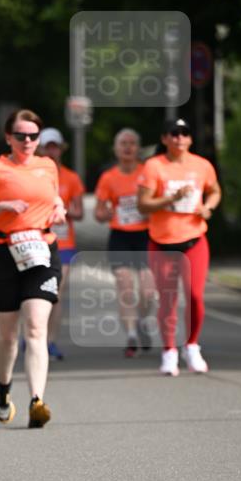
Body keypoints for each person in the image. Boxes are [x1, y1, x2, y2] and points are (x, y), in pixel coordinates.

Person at [0, 109, 65, 428]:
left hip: (42, 252)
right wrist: (2, 206)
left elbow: (54, 198)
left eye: (33, 136)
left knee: (35, 327)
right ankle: (3, 390)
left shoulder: (48, 166)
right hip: (3, 253)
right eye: (21, 136)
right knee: (8, 334)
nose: (28, 141)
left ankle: (36, 401)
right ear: (9, 138)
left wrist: (59, 207)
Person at [137, 117, 221, 375]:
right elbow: (143, 205)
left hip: (195, 239)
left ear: (190, 139)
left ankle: (192, 346)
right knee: (169, 299)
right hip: (163, 243)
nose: (179, 138)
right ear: (164, 139)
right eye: (173, 133)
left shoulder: (202, 165)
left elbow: (215, 191)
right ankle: (169, 351)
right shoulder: (154, 166)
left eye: (184, 133)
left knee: (195, 296)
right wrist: (172, 197)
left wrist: (208, 207)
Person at [94, 129, 157, 356]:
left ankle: (140, 321)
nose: (128, 147)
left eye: (132, 143)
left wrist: (151, 210)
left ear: (138, 148)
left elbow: (157, 201)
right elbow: (99, 213)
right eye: (123, 143)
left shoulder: (147, 173)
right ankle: (131, 335)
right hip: (120, 235)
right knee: (125, 284)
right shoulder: (109, 177)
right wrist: (107, 213)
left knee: (148, 289)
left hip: (145, 235)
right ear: (116, 148)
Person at [38, 128, 84, 359]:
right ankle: (34, 337)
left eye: (55, 146)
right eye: (48, 146)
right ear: (40, 148)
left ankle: (50, 341)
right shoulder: (32, 174)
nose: (52, 151)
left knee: (55, 292)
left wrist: (63, 210)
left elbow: (79, 211)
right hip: (35, 243)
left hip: (64, 243)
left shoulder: (71, 177)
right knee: (35, 293)